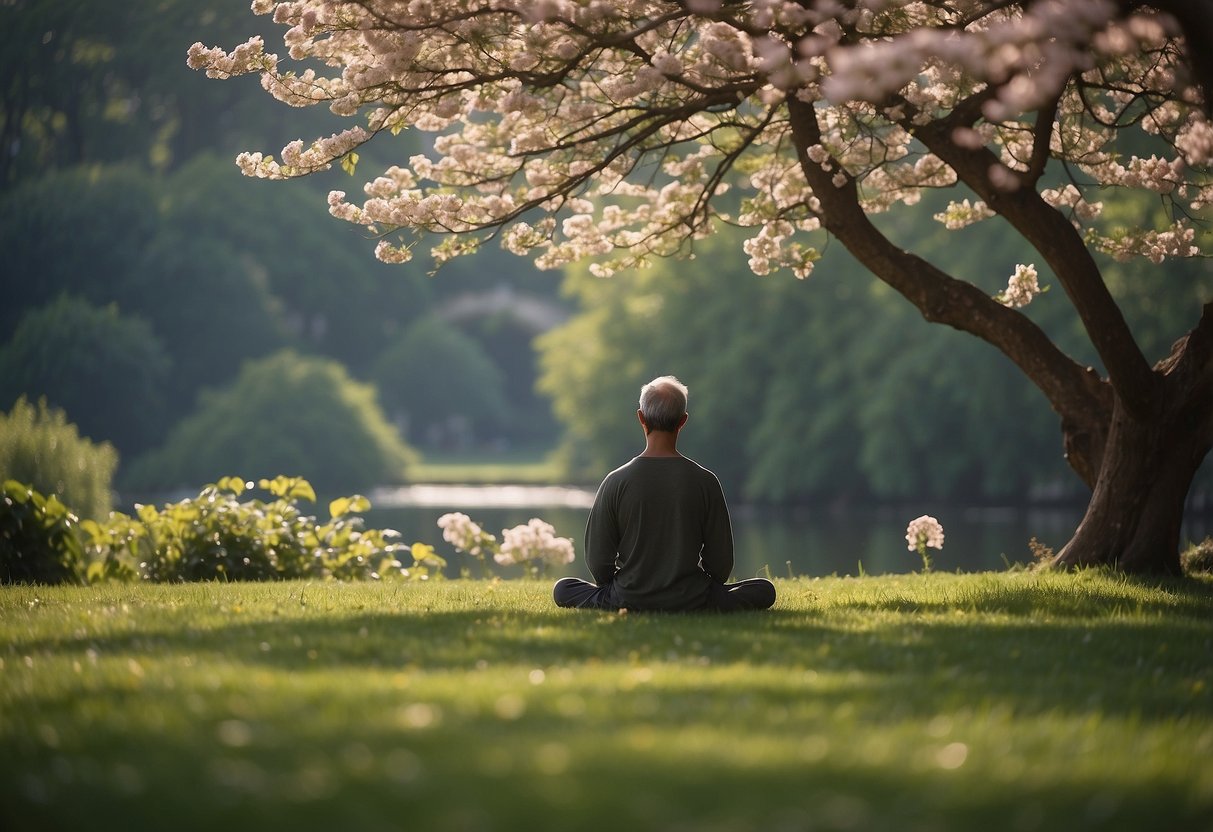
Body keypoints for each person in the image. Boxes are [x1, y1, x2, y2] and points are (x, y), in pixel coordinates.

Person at [553, 376, 776, 612]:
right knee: (764, 589)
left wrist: (622, 587)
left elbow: (598, 563)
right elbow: (721, 567)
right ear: (683, 421)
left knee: (564, 588)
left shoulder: (615, 481)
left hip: (628, 598)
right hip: (694, 599)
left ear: (641, 417)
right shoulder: (706, 481)